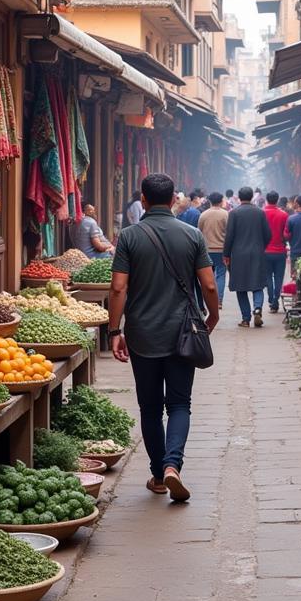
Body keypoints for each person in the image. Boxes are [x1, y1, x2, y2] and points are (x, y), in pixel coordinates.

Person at [108, 174, 218, 502]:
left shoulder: (128, 236)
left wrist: (114, 330)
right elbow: (209, 285)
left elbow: (118, 287)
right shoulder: (192, 234)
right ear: (173, 200)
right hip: (183, 332)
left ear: (143, 199)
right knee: (180, 403)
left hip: (142, 333)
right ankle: (173, 466)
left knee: (150, 407)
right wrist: (212, 316)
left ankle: (158, 474)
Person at [224, 186, 272, 327]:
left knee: (240, 286)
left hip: (238, 255)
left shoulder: (234, 213)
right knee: (258, 284)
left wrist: (226, 254)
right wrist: (260, 246)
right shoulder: (260, 213)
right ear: (252, 197)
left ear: (239, 197)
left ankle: (245, 319)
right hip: (257, 252)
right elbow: (268, 234)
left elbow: (229, 236)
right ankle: (257, 308)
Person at [198, 191, 228, 307]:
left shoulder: (203, 215)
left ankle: (207, 301)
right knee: (220, 275)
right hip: (221, 250)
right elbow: (229, 232)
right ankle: (218, 301)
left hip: (206, 250)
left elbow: (199, 231)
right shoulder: (226, 214)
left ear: (210, 201)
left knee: (207, 277)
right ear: (221, 201)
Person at [263, 191, 288, 313]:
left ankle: (271, 299)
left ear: (267, 199)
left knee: (267, 276)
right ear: (277, 200)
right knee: (278, 277)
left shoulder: (262, 213)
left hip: (265, 251)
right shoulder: (283, 215)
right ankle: (275, 300)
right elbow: (286, 234)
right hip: (280, 251)